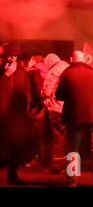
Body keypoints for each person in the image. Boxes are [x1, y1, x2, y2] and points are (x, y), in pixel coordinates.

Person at [56, 51, 93, 187]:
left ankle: (72, 182)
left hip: (73, 117)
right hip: (92, 116)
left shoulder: (67, 74)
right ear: (84, 59)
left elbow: (58, 95)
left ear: (72, 59)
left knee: (73, 150)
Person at [0, 44, 34, 185]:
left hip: (16, 116)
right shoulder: (2, 70)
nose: (12, 58)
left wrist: (26, 105)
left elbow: (27, 90)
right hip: (2, 114)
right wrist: (6, 75)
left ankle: (12, 173)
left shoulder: (21, 71)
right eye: (10, 55)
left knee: (16, 146)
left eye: (15, 56)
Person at [41, 53, 69, 173]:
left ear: (50, 62)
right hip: (69, 107)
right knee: (69, 136)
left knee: (58, 136)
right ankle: (71, 168)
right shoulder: (68, 67)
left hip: (56, 108)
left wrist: (42, 93)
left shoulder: (54, 71)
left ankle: (58, 165)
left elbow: (47, 92)